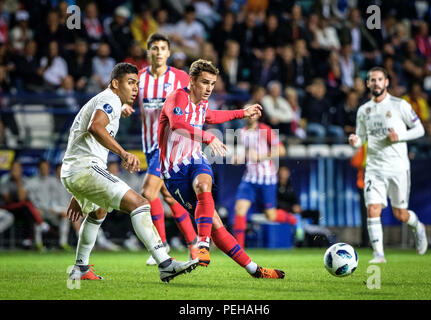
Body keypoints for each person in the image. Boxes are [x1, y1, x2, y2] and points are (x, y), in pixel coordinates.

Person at [61, 62, 198, 282]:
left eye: (137, 84)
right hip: (84, 168)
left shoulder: (107, 100)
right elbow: (95, 127)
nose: (136, 88)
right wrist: (125, 154)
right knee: (140, 203)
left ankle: (81, 268)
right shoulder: (110, 99)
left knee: (98, 212)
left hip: (76, 170)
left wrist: (78, 189)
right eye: (130, 83)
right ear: (116, 83)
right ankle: (165, 263)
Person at [158, 58, 285, 279]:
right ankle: (249, 267)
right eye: (205, 82)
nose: (209, 88)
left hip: (195, 160)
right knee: (216, 224)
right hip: (174, 172)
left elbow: (211, 116)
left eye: (212, 84)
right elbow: (178, 125)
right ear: (192, 80)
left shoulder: (203, 104)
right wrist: (207, 136)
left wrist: (241, 113)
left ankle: (207, 247)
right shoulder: (177, 97)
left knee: (204, 184)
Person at [348, 66, 428, 263]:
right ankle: (379, 254)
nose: (376, 83)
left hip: (398, 167)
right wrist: (355, 141)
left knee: (400, 214)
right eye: (372, 80)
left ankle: (418, 227)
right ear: (368, 84)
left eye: (379, 79)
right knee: (373, 208)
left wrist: (400, 136)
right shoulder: (364, 110)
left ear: (386, 82)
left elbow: (420, 130)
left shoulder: (400, 105)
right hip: (374, 168)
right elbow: (361, 138)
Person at [134, 33, 199, 266]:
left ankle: (160, 247)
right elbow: (123, 96)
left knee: (148, 193)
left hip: (170, 145)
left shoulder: (180, 77)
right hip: (149, 145)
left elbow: (197, 101)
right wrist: (122, 106)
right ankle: (194, 245)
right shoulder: (139, 78)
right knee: (169, 198)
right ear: (148, 52)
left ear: (169, 53)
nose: (159, 51)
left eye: (163, 48)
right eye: (154, 48)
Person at [232, 112, 302, 249]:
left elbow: (281, 150)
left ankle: (294, 220)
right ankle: (237, 249)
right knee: (239, 209)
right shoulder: (241, 132)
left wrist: (262, 156)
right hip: (249, 179)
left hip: (267, 179)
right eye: (248, 113)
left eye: (253, 113)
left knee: (270, 215)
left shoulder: (265, 130)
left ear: (258, 116)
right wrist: (237, 159)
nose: (250, 116)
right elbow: (244, 154)